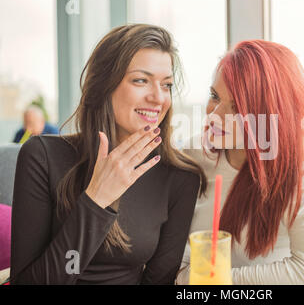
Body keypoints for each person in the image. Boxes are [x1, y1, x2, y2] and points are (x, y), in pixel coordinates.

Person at [10, 24, 206, 285]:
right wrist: (95, 200)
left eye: (167, 84)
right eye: (141, 80)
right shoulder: (42, 157)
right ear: (104, 85)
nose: (158, 98)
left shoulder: (179, 177)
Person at [176, 40, 304, 285]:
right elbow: (170, 253)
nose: (215, 115)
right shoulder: (193, 155)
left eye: (237, 107)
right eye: (214, 96)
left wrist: (212, 282)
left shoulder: (299, 166)